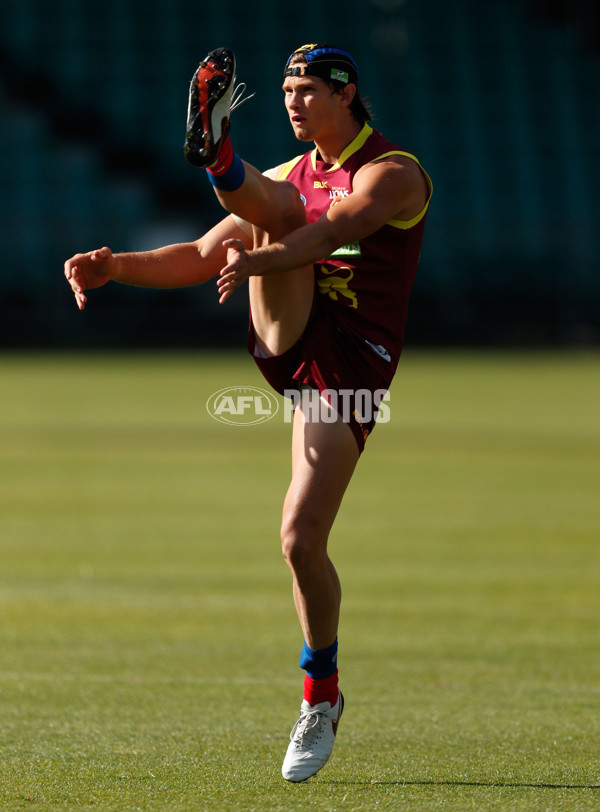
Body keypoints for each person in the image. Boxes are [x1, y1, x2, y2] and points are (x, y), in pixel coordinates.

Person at [64, 43, 432, 782]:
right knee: (273, 200)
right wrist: (118, 269)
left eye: (308, 92)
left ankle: (320, 696)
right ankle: (216, 152)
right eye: (287, 91)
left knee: (299, 541)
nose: (295, 102)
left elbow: (331, 233)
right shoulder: (293, 176)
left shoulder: (393, 171)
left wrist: (258, 260)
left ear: (347, 95)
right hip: (288, 334)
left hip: (352, 363)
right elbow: (205, 253)